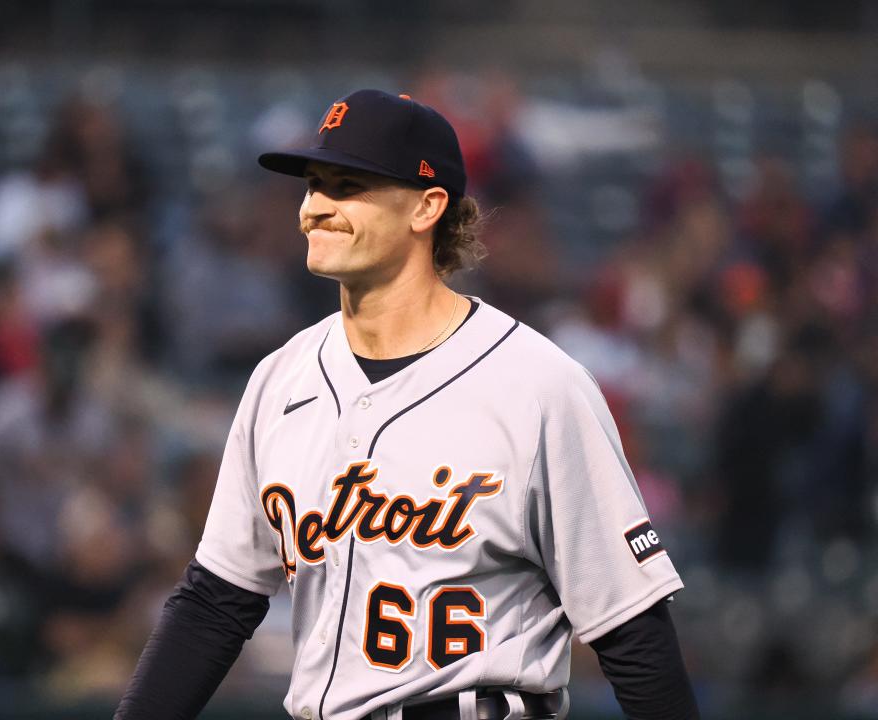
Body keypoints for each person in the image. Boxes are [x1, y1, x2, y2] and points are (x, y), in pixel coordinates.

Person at [115, 89, 699, 720]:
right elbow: (214, 602)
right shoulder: (279, 380)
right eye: (313, 185)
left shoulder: (538, 386)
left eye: (347, 186)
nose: (315, 208)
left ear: (426, 206)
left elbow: (632, 632)